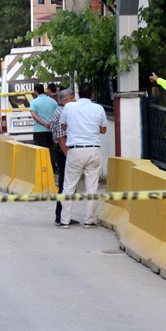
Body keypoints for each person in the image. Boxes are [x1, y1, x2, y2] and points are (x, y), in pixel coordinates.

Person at [58, 83, 108, 228]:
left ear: (78, 93)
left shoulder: (69, 107)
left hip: (75, 150)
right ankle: (89, 220)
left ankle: (65, 220)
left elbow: (63, 126)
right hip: (93, 150)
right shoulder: (99, 108)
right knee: (92, 187)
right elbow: (103, 130)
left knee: (68, 186)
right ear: (92, 94)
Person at [48, 89, 76, 226]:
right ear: (65, 101)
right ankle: (61, 216)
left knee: (67, 184)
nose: (74, 100)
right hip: (63, 150)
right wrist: (68, 156)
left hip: (63, 150)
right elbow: (61, 138)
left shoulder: (62, 111)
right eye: (72, 98)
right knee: (66, 184)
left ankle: (63, 215)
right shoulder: (61, 113)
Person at [29, 83, 59, 151]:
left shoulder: (34, 102)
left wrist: (44, 124)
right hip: (51, 130)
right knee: (51, 152)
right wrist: (50, 124)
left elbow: (34, 116)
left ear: (36, 91)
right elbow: (57, 115)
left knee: (41, 153)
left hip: (39, 131)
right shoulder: (53, 102)